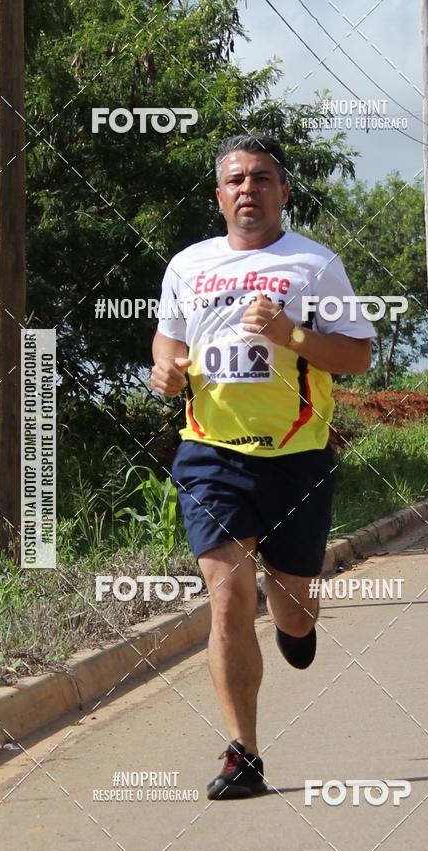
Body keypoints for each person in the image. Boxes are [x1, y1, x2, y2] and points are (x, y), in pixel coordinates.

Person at [151, 134, 374, 800]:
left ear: (283, 191)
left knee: (294, 610)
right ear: (219, 196)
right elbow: (168, 338)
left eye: (262, 178)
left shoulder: (314, 264)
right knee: (227, 598)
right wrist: (164, 368)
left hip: (296, 459)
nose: (248, 189)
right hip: (210, 453)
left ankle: (294, 625)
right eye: (236, 179)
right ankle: (243, 753)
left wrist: (290, 334)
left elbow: (358, 355)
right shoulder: (188, 265)